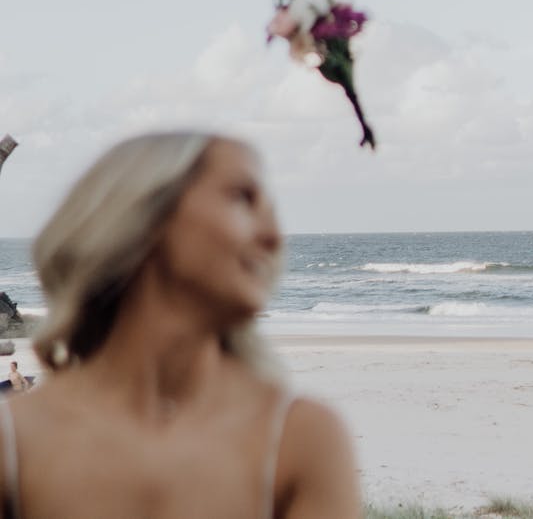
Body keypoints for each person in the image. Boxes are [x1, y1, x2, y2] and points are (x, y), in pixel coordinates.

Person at [0, 132, 361, 518]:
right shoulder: (13, 443)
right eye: (242, 199)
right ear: (141, 220)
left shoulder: (299, 439)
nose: (273, 237)